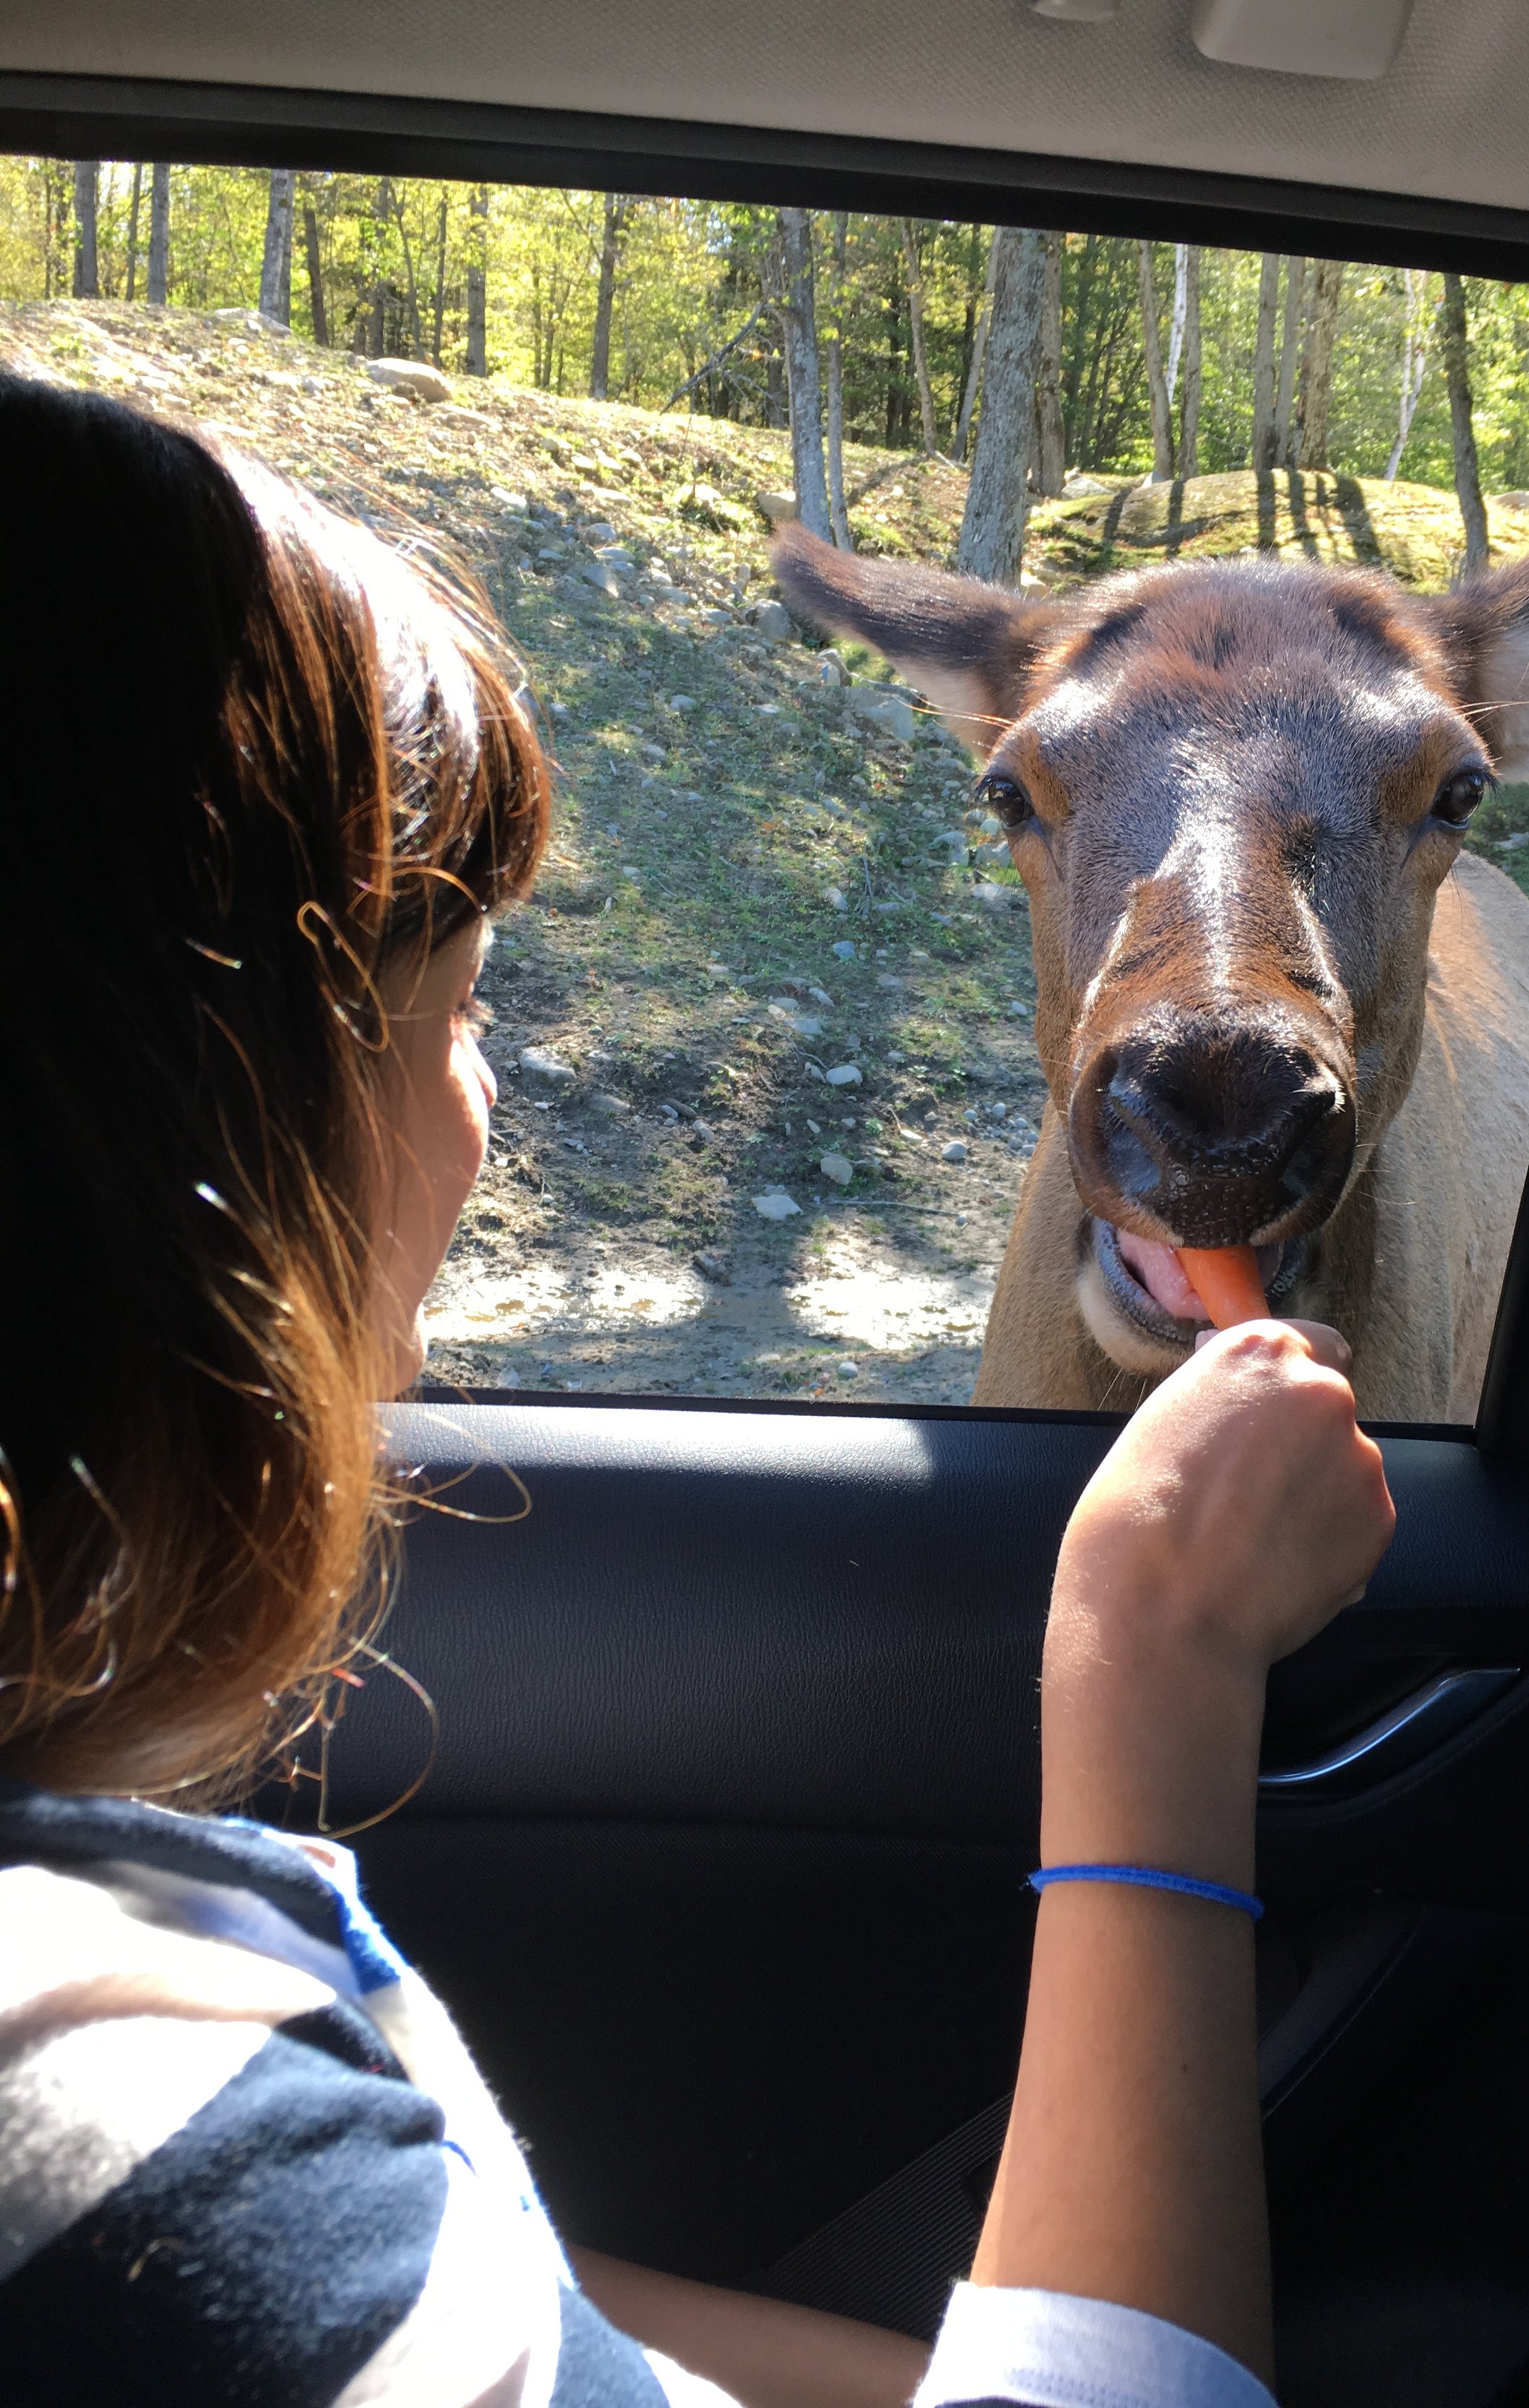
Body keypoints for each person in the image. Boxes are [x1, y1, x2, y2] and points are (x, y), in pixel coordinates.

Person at [0, 375, 1396, 2408]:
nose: (485, 1099)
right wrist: (1154, 1658)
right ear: (171, 1144)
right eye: (457, 1001)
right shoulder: (90, 2085)